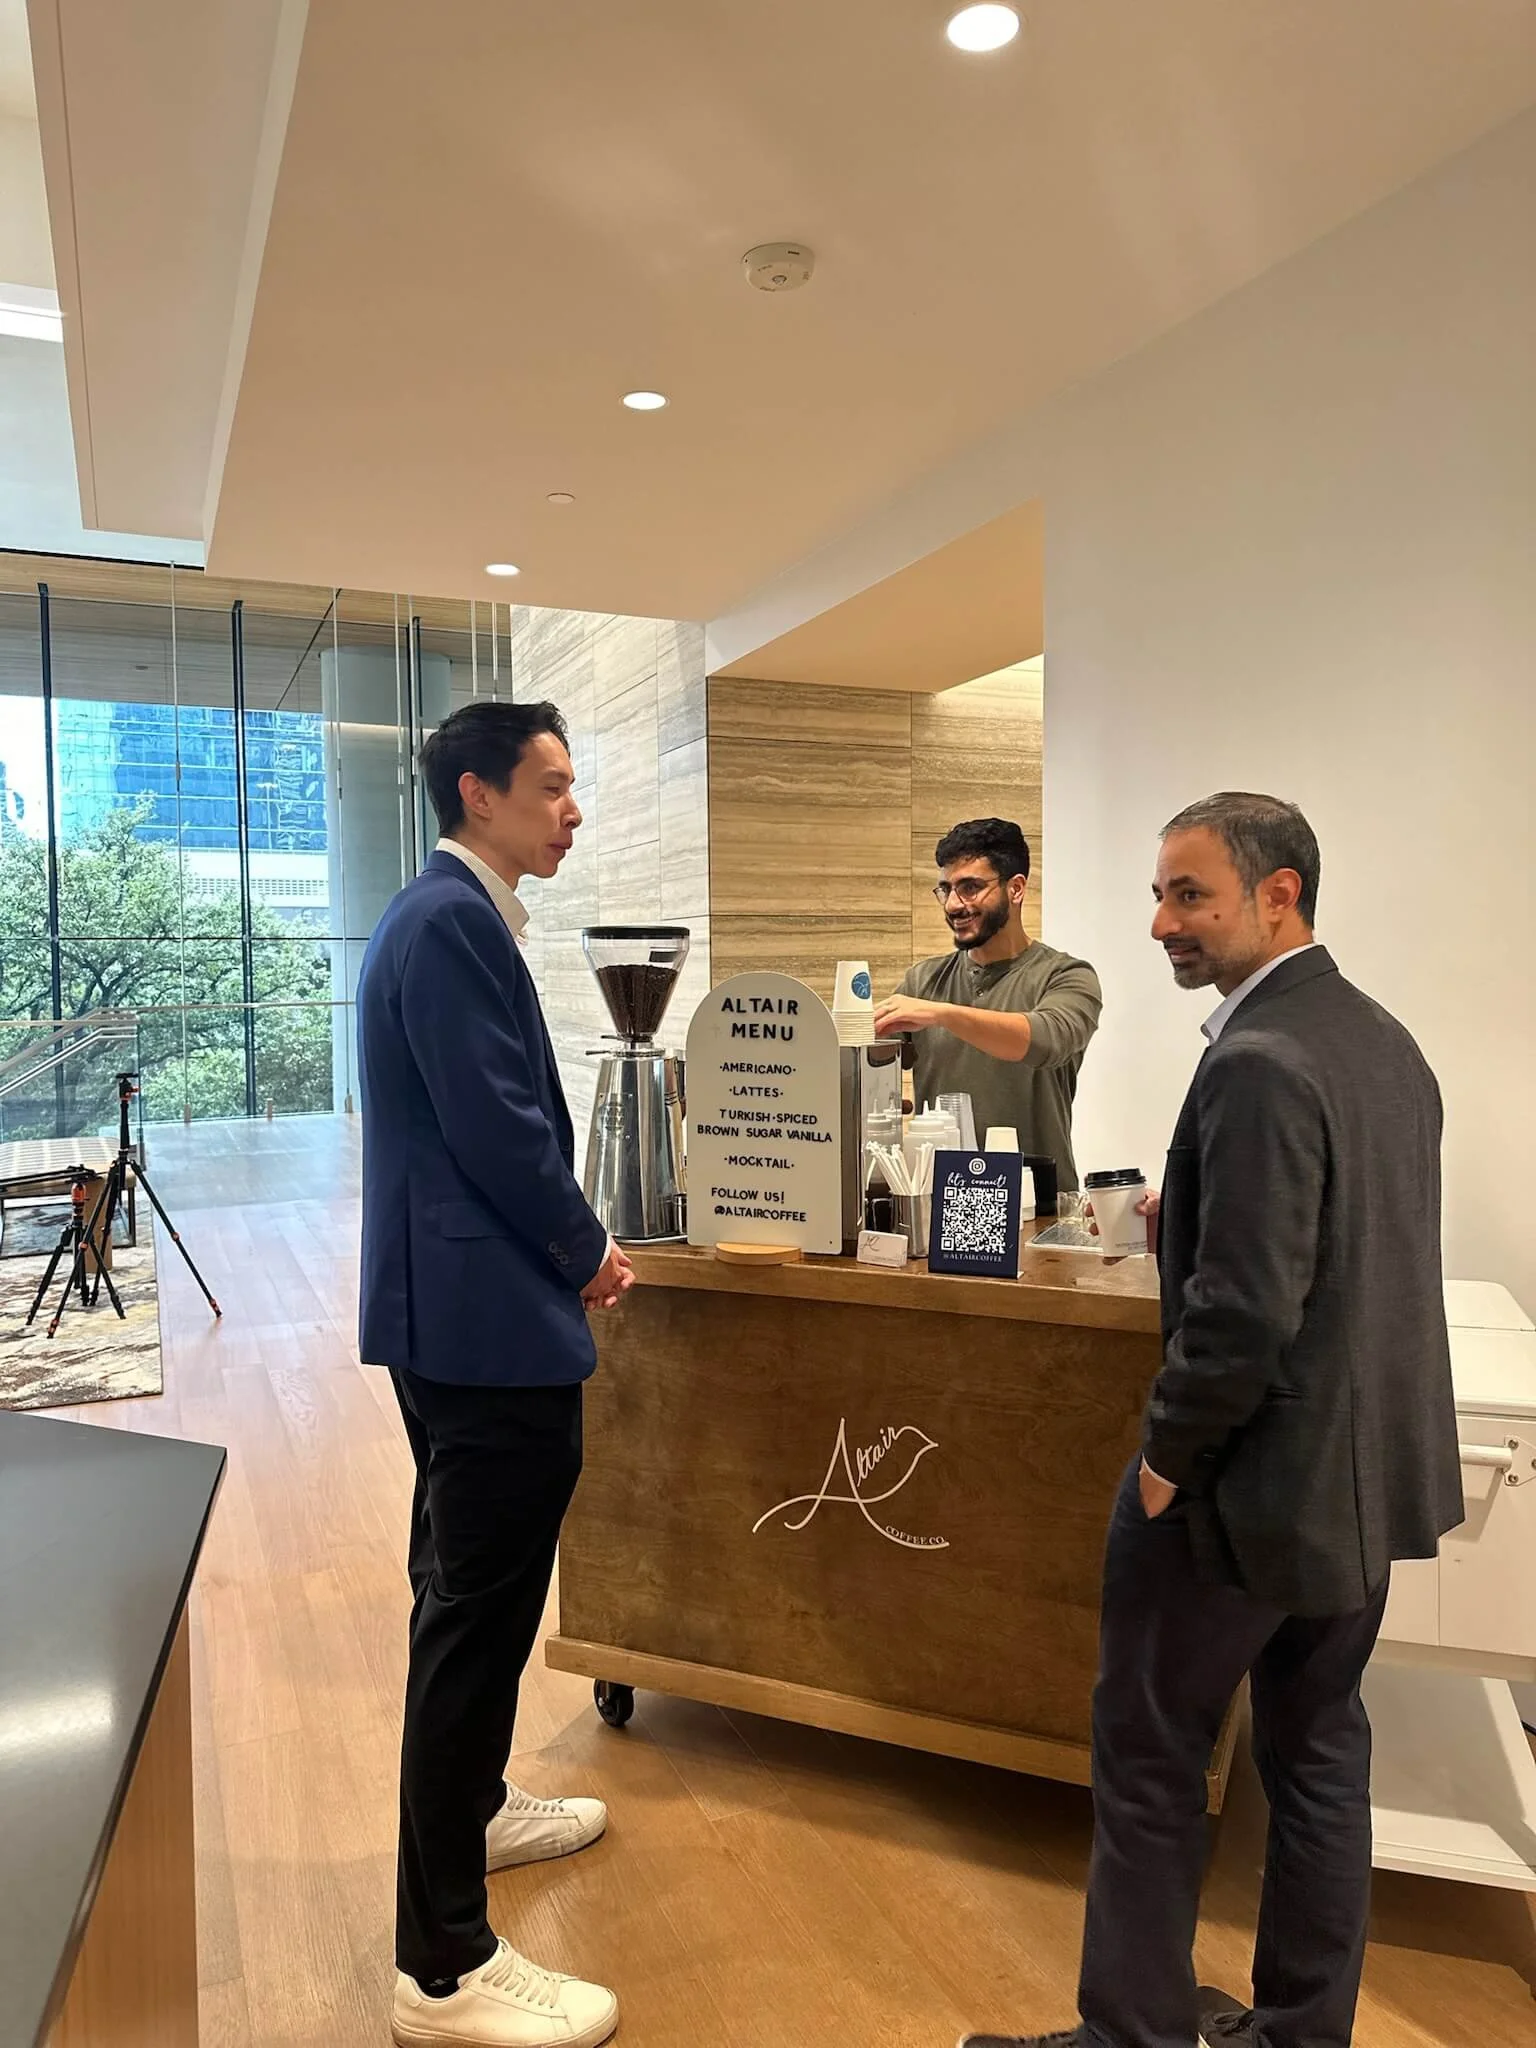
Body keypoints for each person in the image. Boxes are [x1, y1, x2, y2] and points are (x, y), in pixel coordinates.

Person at [961, 791, 1462, 2048]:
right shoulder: (1382, 1039)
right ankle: (1300, 2029)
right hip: (1357, 1485)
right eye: (1159, 894)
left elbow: (1242, 1316)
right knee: (1318, 1751)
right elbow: (1348, 1249)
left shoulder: (1257, 1058)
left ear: (1278, 895)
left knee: (1148, 1753)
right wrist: (1184, 1210)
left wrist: (1166, 1463)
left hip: (1244, 1491)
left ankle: (1127, 2034)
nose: (1160, 922)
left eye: (1190, 895)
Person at [357, 699, 632, 2048]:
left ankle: (471, 1813)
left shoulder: (445, 915)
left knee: (466, 1591)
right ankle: (443, 1966)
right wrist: (587, 1247)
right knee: (474, 1620)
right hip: (482, 1320)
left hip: (455, 1313)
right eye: (552, 785)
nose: (572, 810)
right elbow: (498, 1126)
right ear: (478, 792)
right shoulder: (451, 922)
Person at [873, 817, 1101, 1190]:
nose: (953, 904)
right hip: (944, 1200)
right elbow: (868, 1063)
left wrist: (941, 1014)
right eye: (946, 889)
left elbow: (1044, 1040)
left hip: (1039, 1202)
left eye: (971, 888)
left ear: (1016, 888)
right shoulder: (922, 981)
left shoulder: (1067, 976)